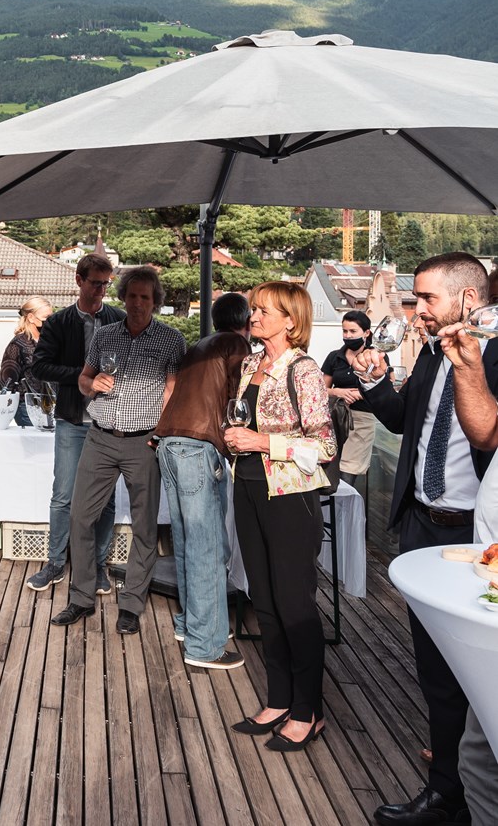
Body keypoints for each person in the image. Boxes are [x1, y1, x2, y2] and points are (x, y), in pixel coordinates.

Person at [348, 253, 496, 825]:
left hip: (479, 539)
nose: (417, 311)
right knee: (434, 666)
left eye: (427, 299)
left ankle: (477, 783)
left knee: (478, 663)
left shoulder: (494, 354)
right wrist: (375, 382)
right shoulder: (434, 353)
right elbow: (407, 421)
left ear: (465, 300)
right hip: (422, 522)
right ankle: (445, 792)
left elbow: (486, 437)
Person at [224, 281, 336, 752]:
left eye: (263, 310)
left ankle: (309, 711)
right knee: (264, 599)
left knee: (294, 604)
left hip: (290, 496)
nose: (253, 316)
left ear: (291, 319)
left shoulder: (304, 369)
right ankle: (278, 698)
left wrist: (260, 442)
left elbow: (325, 446)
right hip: (247, 487)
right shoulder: (251, 362)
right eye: (252, 309)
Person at [54, 266, 185, 635]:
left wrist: (160, 435)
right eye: (132, 295)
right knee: (80, 517)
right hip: (100, 437)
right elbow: (82, 380)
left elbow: (172, 394)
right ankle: (81, 598)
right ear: (123, 298)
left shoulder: (172, 340)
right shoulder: (105, 336)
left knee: (144, 527)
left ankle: (131, 604)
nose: (139, 303)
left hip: (144, 442)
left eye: (146, 297)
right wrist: (91, 382)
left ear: (155, 301)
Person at [152, 291, 250, 670]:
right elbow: (238, 401)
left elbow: (174, 390)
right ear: (243, 321)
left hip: (169, 442)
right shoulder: (236, 344)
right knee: (208, 545)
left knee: (186, 540)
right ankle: (205, 645)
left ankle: (190, 624)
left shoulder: (199, 345)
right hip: (197, 446)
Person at [27, 252, 124, 594]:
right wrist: (85, 377)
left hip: (110, 424)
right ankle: (55, 562)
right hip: (72, 420)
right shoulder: (58, 323)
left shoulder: (119, 320)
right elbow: (39, 367)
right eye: (95, 283)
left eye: (105, 284)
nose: (101, 290)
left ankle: (97, 567)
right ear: (79, 281)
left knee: (107, 499)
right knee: (63, 495)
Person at [436, 320, 498, 826]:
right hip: (488, 569)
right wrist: (471, 370)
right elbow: (486, 432)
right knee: (480, 759)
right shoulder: (482, 354)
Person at [320, 310, 386, 488]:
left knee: (347, 475)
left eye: (353, 331)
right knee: (329, 473)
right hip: (335, 419)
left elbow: (386, 388)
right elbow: (320, 390)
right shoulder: (334, 357)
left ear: (366, 333)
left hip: (362, 421)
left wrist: (361, 392)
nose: (348, 336)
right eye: (345, 331)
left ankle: (347, 515)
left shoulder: (376, 357)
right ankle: (331, 516)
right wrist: (337, 392)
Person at [0, 296, 54, 426]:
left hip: (50, 406)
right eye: (46, 319)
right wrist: (27, 394)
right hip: (27, 408)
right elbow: (6, 381)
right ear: (31, 318)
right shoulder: (18, 345)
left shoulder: (50, 342)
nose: (50, 322)